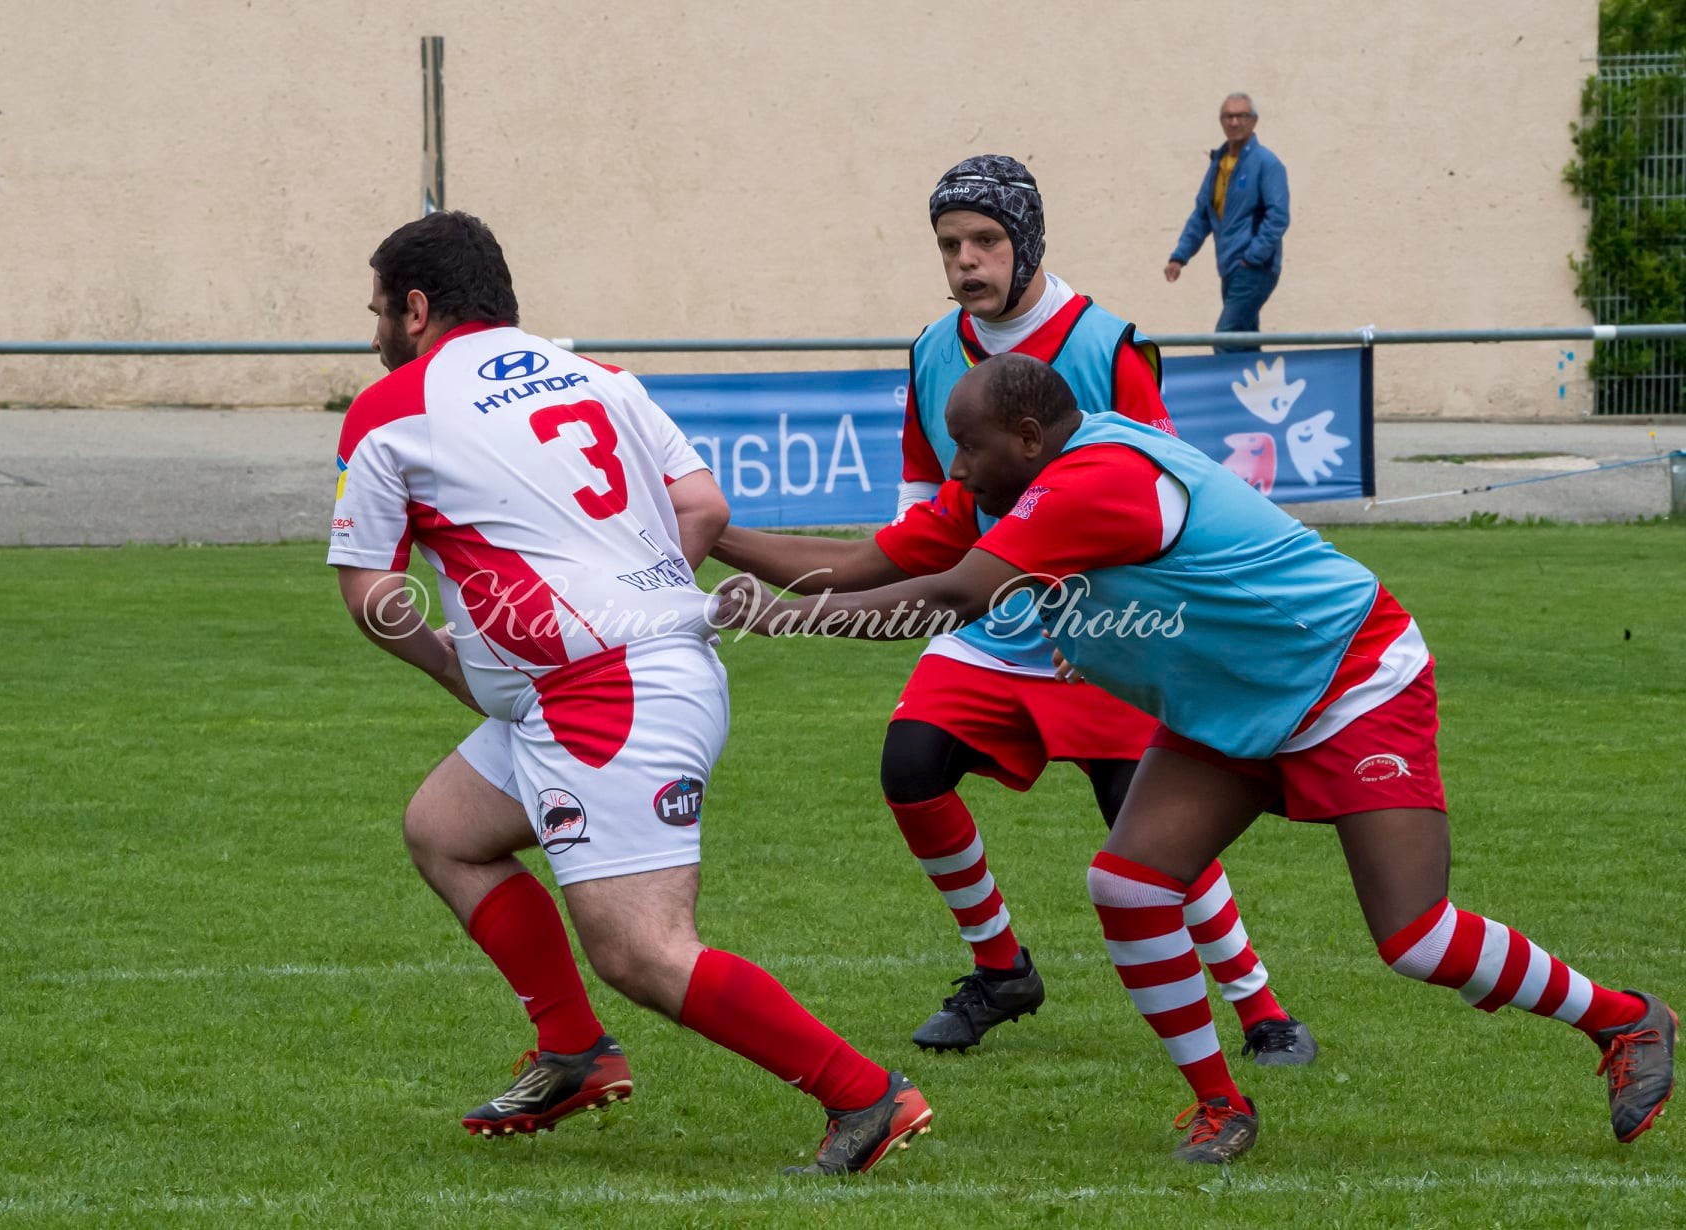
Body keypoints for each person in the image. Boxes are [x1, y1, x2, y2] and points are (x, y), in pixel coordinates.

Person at [712, 353, 1676, 1164]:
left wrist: (781, 619)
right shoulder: (1016, 490)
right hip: (1231, 703)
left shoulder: (1090, 481)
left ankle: (1627, 1019)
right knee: (1129, 885)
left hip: (1348, 677)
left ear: (1030, 437)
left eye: (969, 445)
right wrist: (719, 539)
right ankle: (1224, 1105)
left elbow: (952, 598)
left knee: (1415, 939)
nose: (955, 469)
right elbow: (868, 559)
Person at [327, 210, 932, 1175]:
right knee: (445, 828)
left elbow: (372, 594)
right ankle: (573, 1050)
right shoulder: (600, 376)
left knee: (643, 951)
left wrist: (457, 667)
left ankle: (866, 1095)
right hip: (629, 672)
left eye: (376, 315)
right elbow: (705, 508)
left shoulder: (394, 408)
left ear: (416, 306)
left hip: (603, 696)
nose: (372, 338)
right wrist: (635, 599)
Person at [714, 154, 1317, 1066]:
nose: (966, 260)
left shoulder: (1108, 342)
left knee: (1145, 818)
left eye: (987, 240)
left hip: (1107, 623)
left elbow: (1166, 502)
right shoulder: (929, 350)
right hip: (989, 618)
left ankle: (1261, 1008)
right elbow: (928, 522)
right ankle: (1001, 970)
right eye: (951, 243)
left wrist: (1103, 618)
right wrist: (718, 533)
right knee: (910, 766)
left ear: (1027, 240)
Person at [1164, 93, 1290, 352]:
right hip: (1230, 268)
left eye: (1241, 116)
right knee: (1244, 341)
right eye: (1228, 116)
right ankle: (1256, 391)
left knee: (1226, 338)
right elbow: (1202, 216)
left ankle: (1225, 391)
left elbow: (1278, 217)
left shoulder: (1266, 163)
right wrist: (1179, 257)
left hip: (1255, 268)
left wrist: (1253, 257)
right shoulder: (1218, 164)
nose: (1234, 122)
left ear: (1254, 121)